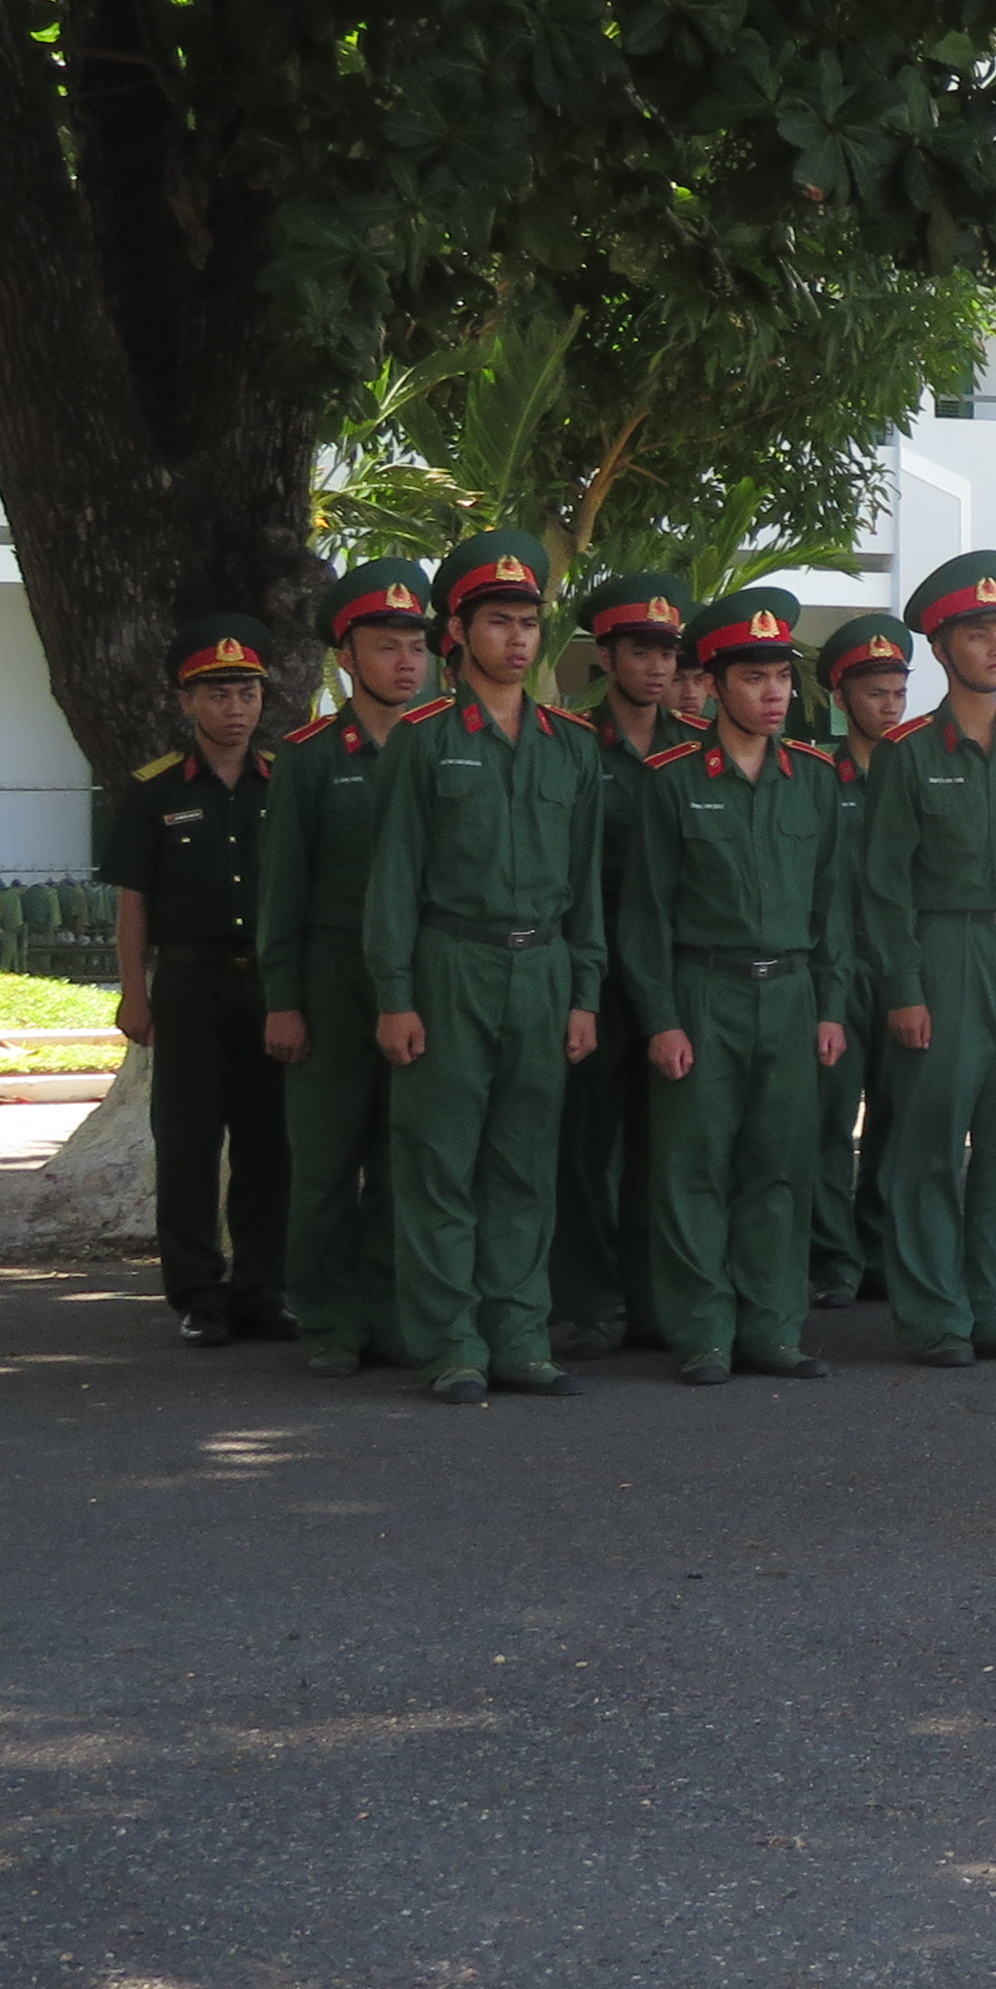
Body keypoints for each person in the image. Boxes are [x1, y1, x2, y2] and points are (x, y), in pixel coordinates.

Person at [360, 535, 606, 1403]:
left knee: (524, 1163)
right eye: (498, 621)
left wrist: (586, 993)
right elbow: (392, 881)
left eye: (529, 623)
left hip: (540, 967)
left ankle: (520, 1336)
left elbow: (588, 887)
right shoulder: (424, 740)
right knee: (439, 1163)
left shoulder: (571, 746)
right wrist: (395, 995)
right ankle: (451, 1343)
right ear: (457, 633)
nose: (518, 638)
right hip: (450, 962)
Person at [619, 591, 859, 1386]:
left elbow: (833, 907)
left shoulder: (816, 779)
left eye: (782, 680)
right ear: (715, 684)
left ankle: (772, 1328)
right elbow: (645, 915)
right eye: (755, 679)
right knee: (694, 1169)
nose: (773, 694)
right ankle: (705, 1332)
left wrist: (830, 1008)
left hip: (789, 994)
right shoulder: (671, 779)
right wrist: (660, 1017)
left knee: (779, 1166)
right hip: (703, 991)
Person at [859, 550, 996, 1367]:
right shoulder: (908, 751)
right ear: (941, 646)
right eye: (979, 633)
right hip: (946, 950)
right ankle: (934, 1318)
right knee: (927, 1140)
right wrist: (903, 987)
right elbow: (883, 885)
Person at [254, 558, 440, 1377]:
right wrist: (283, 997)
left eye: (415, 645)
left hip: (426, 970)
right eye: (385, 645)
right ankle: (328, 1319)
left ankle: (395, 1313)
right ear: (346, 656)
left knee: (409, 1155)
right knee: (326, 1156)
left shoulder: (447, 746)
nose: (405, 662)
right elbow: (282, 888)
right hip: (333, 972)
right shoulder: (310, 755)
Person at [101, 614, 292, 1344]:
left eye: (246, 692)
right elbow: (133, 899)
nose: (233, 708)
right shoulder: (153, 791)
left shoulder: (286, 782)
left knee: (270, 1142)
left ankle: (264, 1289)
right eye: (216, 694)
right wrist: (133, 990)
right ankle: (198, 1295)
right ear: (187, 702)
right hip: (188, 985)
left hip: (271, 988)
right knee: (186, 1142)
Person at [552, 569, 691, 1361]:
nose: (658, 667)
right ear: (605, 655)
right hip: (595, 970)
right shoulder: (570, 742)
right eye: (641, 651)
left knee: (664, 1143)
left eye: (668, 652)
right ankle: (581, 1299)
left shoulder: (696, 750)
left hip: (672, 973)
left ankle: (652, 1299)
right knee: (584, 1142)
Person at [807, 610, 914, 1309]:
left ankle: (881, 1249)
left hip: (902, 967)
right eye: (875, 693)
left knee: (900, 1119)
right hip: (836, 969)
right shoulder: (815, 773)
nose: (891, 706)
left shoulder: (923, 768)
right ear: (842, 698)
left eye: (899, 691)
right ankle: (831, 1257)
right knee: (827, 1118)